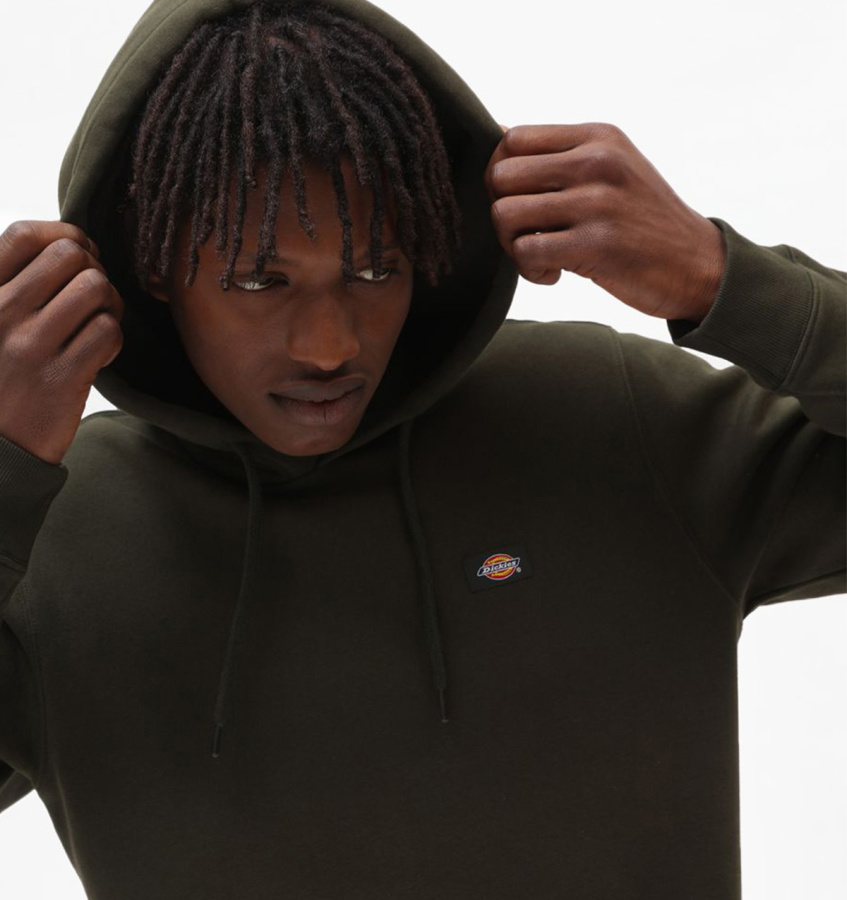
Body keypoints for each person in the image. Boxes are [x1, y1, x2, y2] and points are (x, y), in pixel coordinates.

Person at [0, 0, 843, 896]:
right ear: (153, 266)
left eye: (375, 269)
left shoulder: (614, 423)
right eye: (258, 279)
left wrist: (724, 281)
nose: (329, 347)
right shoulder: (61, 535)